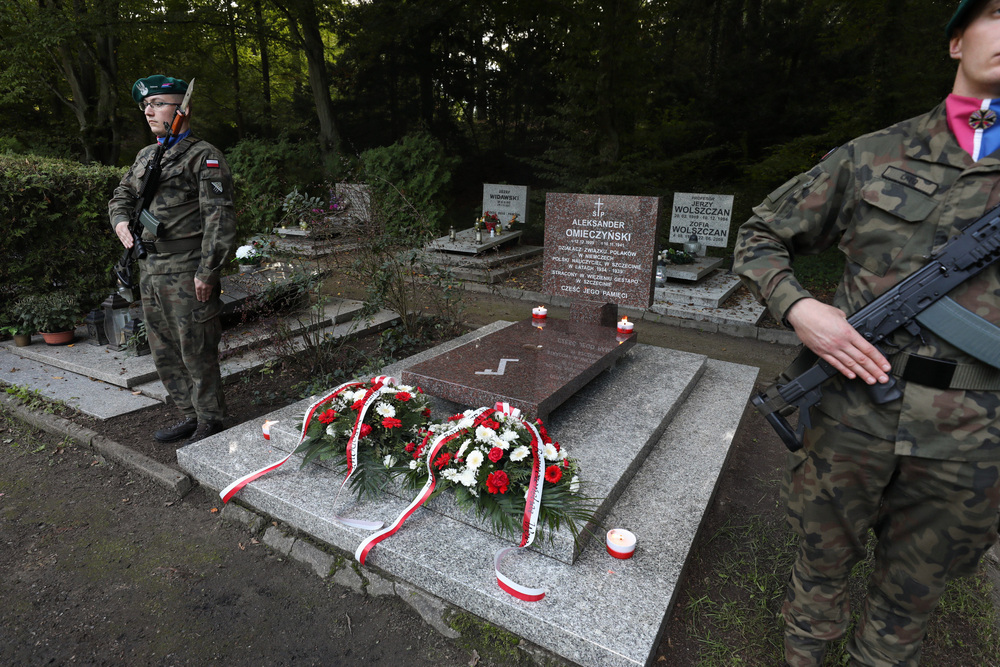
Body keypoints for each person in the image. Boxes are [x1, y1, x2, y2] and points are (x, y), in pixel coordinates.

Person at [733, 2, 1000, 665]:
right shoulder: (872, 155)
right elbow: (760, 235)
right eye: (997, 14)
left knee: (912, 597)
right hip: (851, 412)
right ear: (956, 40)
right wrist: (799, 308)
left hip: (972, 431)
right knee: (819, 569)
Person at [109, 74, 236, 446]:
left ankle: (211, 419)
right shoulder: (147, 155)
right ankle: (188, 413)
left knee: (196, 348)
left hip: (186, 271)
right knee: (163, 349)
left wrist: (208, 271)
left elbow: (219, 218)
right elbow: (122, 194)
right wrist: (120, 221)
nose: (149, 112)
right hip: (150, 270)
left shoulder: (204, 156)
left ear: (183, 109)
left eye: (158, 104)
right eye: (145, 106)